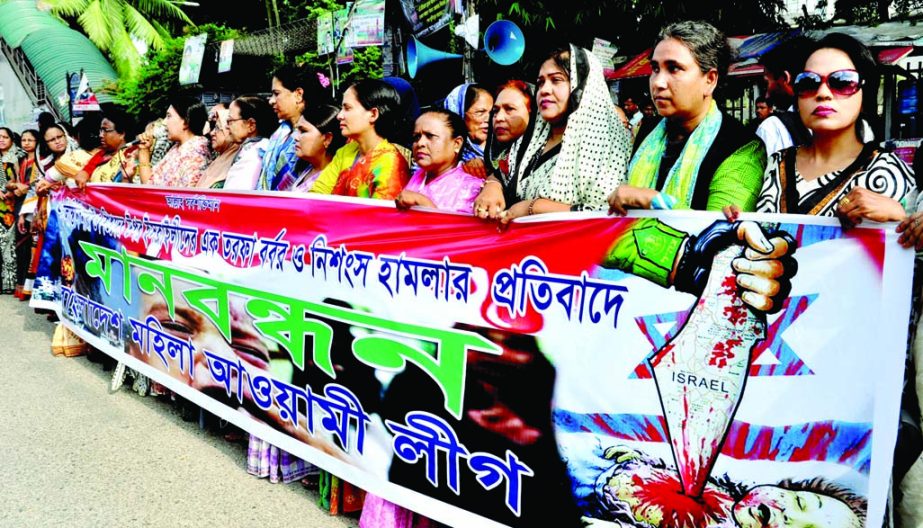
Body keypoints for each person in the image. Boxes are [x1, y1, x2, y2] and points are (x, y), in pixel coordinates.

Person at [726, 33, 916, 222]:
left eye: (842, 82)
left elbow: (908, 244)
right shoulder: (774, 164)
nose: (823, 93)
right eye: (809, 82)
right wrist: (734, 217)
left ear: (864, 93)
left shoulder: (891, 172)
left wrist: (901, 217)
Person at [608, 21, 766, 215]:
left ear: (710, 80)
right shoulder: (646, 132)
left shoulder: (741, 147)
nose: (658, 82)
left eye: (674, 69)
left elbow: (721, 234)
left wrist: (652, 200)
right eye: (655, 69)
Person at [473, 45, 632, 223]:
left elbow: (607, 215)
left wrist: (533, 207)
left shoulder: (607, 143)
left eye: (556, 80)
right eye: (541, 82)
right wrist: (492, 187)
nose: (544, 90)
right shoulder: (530, 140)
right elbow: (502, 174)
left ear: (583, 86)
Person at [309, 79, 410, 200]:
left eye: (347, 108)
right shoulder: (346, 152)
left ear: (373, 114)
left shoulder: (390, 163)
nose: (339, 115)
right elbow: (317, 194)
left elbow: (381, 214)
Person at [395, 108, 485, 213]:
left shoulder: (471, 188)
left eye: (430, 136)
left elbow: (460, 229)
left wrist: (423, 203)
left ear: (457, 144)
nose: (420, 143)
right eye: (417, 137)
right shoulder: (418, 175)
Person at [258, 65, 328, 191]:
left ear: (298, 94)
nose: (271, 101)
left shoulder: (315, 136)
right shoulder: (280, 132)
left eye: (276, 94)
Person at [756, 36, 814, 155]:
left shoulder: (772, 129)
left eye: (767, 83)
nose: (767, 95)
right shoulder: (847, 124)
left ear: (785, 78)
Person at [134, 95, 210, 187]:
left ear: (186, 122)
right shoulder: (178, 147)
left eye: (169, 116)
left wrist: (144, 153)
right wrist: (144, 150)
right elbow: (151, 183)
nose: (164, 122)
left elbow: (151, 189)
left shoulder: (195, 156)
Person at [222, 95, 278, 191]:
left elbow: (235, 196)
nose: (227, 126)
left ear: (251, 125)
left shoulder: (255, 154)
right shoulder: (257, 147)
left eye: (230, 121)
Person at [73, 106, 136, 187]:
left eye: (105, 130)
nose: (100, 135)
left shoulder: (133, 154)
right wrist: (83, 173)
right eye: (101, 130)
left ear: (121, 134)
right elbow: (87, 170)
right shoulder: (102, 154)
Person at [290, 104, 346, 192]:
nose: (295, 137)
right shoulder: (306, 168)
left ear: (327, 139)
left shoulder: (333, 181)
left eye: (303, 131)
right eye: (297, 131)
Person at [11, 129, 37, 299]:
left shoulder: (40, 162)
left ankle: (32, 288)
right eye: (24, 139)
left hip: (33, 204)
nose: (26, 143)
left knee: (32, 248)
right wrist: (15, 186)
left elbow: (36, 184)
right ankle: (21, 285)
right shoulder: (20, 160)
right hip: (19, 203)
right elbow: (10, 181)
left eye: (30, 140)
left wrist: (25, 188)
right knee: (21, 247)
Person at [443, 83, 494, 162]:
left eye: (492, 113)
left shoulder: (500, 151)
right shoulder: (443, 157)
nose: (489, 119)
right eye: (480, 112)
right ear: (460, 113)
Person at [196, 104, 241, 189]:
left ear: (228, 130)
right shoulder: (220, 158)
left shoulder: (237, 161)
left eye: (217, 128)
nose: (211, 133)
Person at [0, 127, 23, 293]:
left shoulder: (18, 157)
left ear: (11, 140)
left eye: (4, 137)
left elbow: (22, 181)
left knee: (10, 244)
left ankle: (11, 282)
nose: (1, 140)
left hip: (12, 205)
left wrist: (11, 190)